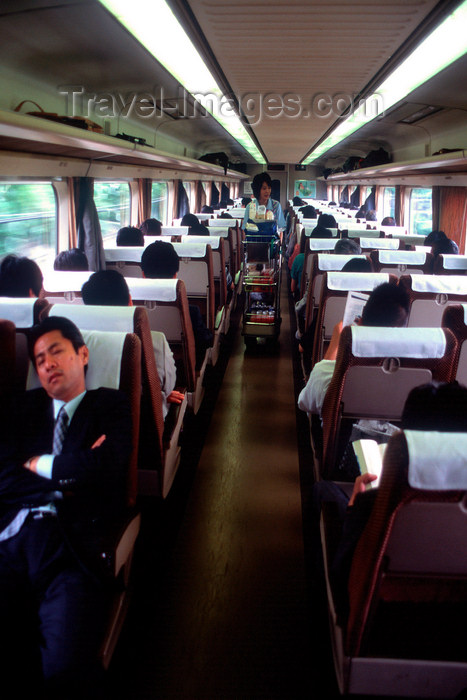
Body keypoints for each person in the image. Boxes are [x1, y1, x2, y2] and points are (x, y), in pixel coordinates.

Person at [0, 315, 133, 695]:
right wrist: (72, 472)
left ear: (83, 354)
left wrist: (37, 463)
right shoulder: (20, 409)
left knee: (61, 668)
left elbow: (107, 467)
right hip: (12, 537)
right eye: (39, 360)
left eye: (56, 352)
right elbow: (3, 478)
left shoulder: (109, 405)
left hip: (72, 546)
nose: (47, 364)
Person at [310, 381, 467, 617]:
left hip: (374, 614)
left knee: (323, 490)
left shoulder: (380, 503)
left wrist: (355, 507)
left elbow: (343, 570)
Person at [298, 282, 410, 417]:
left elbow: (306, 402)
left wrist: (335, 344)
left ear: (361, 319)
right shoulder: (417, 374)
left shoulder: (330, 373)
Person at [81, 270, 183, 418]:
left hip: (90, 424)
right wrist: (161, 395)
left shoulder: (76, 344)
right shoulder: (153, 341)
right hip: (144, 426)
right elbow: (168, 386)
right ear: (130, 300)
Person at [141, 241, 213, 367]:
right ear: (175, 274)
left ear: (142, 274)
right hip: (180, 370)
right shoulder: (189, 311)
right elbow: (205, 340)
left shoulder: (132, 310)